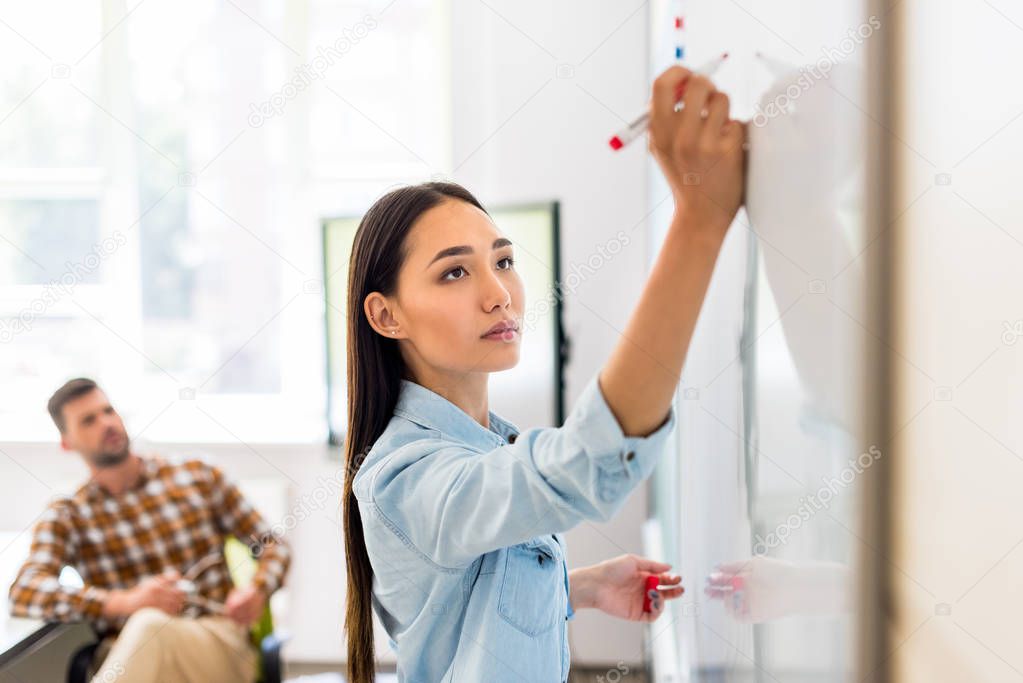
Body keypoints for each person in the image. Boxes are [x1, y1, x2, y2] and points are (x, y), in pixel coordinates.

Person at [341, 64, 745, 682]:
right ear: (386, 314)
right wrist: (700, 219)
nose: (499, 293)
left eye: (503, 260)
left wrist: (575, 587)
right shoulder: (404, 477)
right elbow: (586, 465)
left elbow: (465, 608)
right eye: (455, 271)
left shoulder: (482, 444)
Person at [8, 378, 290, 682]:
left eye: (108, 411)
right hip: (130, 655)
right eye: (89, 420)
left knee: (150, 626)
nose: (107, 423)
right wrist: (124, 602)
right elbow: (25, 592)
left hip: (215, 642)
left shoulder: (198, 474)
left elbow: (274, 545)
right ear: (67, 442)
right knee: (146, 627)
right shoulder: (69, 513)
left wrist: (256, 589)